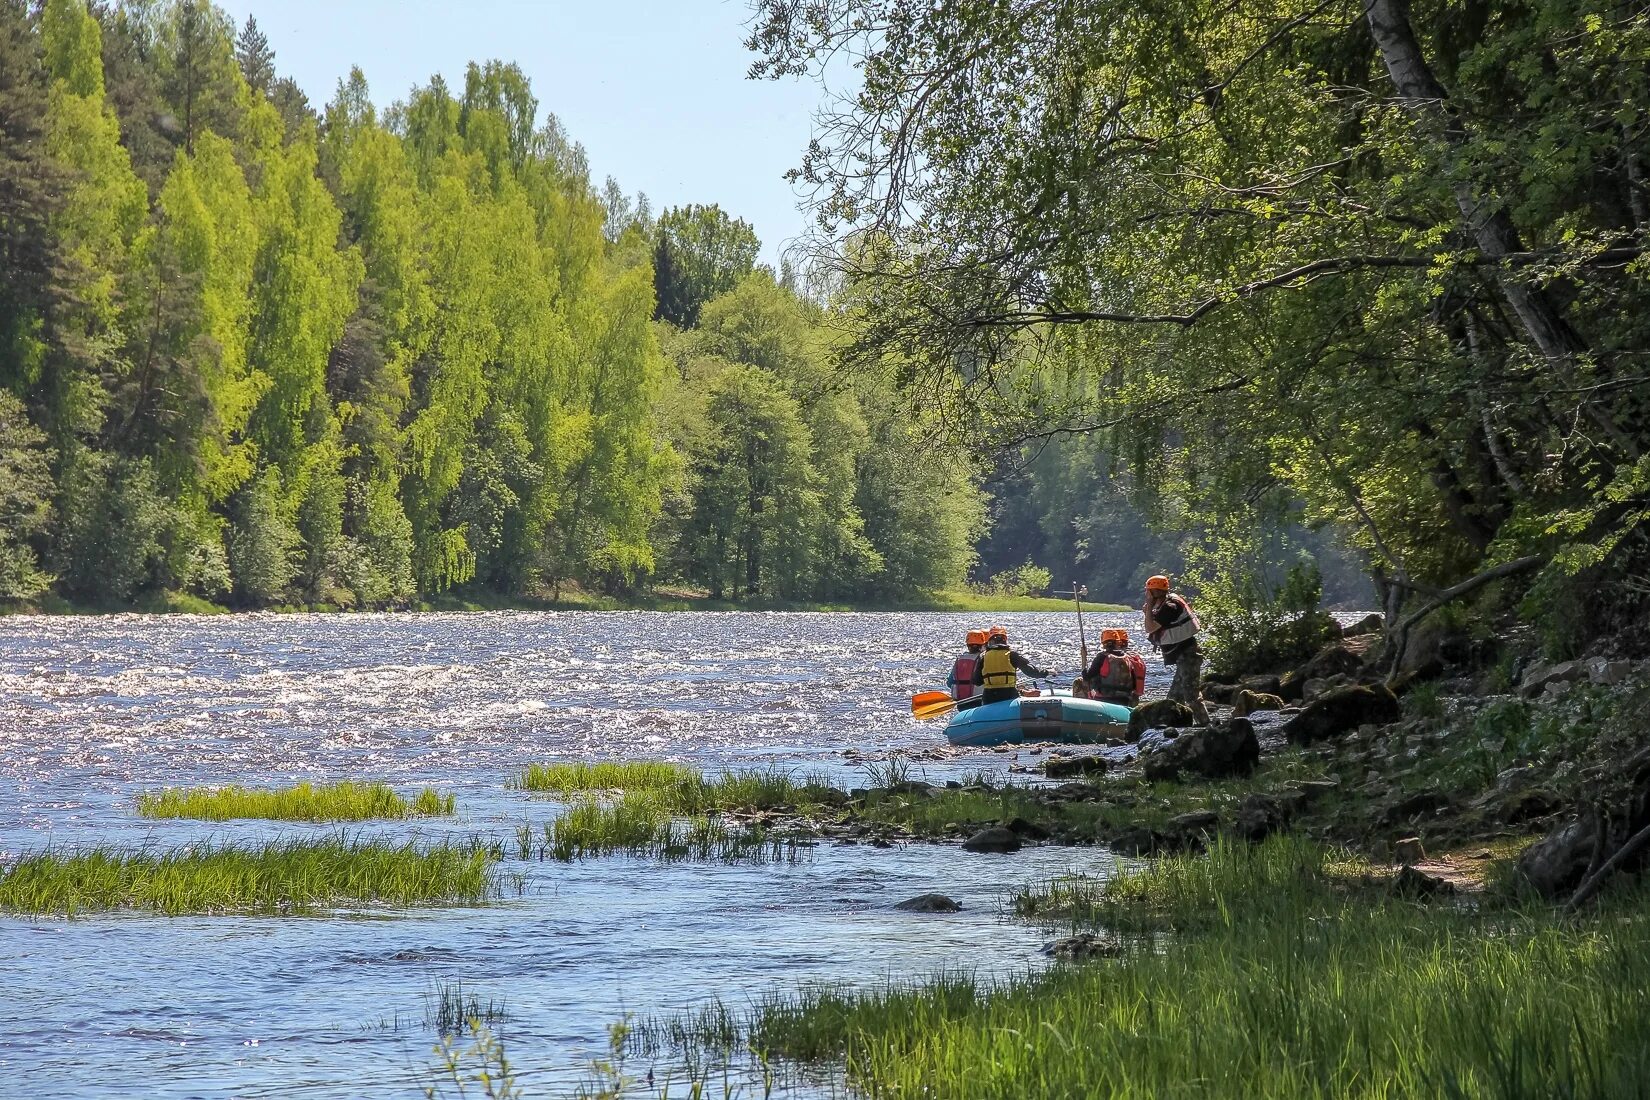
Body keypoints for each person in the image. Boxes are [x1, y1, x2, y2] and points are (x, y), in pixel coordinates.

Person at [1143, 575, 1212, 724]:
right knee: (1174, 698)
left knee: (1190, 695)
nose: (1147, 595)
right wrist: (1150, 607)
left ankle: (1206, 724)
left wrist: (1149, 605)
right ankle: (1174, 725)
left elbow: (1149, 627)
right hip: (1183, 655)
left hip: (1189, 654)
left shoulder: (1170, 607)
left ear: (1155, 592)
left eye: (1149, 592)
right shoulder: (1165, 603)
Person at [973, 624, 1054, 704]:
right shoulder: (1012, 655)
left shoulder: (983, 657)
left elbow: (977, 681)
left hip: (989, 698)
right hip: (1009, 697)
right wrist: (1047, 672)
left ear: (990, 641)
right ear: (1005, 640)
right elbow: (1032, 672)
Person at [1085, 629, 1147, 707]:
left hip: (1105, 697)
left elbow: (1087, 677)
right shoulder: (1127, 657)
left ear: (1104, 644)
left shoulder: (1102, 657)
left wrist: (1084, 670)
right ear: (1118, 642)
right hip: (1125, 698)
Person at [947, 629, 988, 702]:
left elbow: (949, 683)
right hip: (978, 700)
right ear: (982, 645)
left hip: (960, 701)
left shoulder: (959, 659)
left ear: (967, 645)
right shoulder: (984, 658)